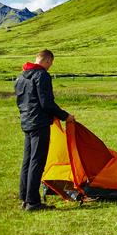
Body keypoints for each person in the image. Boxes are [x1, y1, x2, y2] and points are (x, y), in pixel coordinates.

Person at [15, 49, 71, 211]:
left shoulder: (21, 77)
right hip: (39, 123)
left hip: (26, 122)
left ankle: (24, 197)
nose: (50, 67)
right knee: (37, 162)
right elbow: (47, 103)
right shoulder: (42, 76)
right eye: (50, 63)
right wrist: (65, 116)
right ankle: (32, 202)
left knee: (27, 161)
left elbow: (20, 102)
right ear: (47, 60)